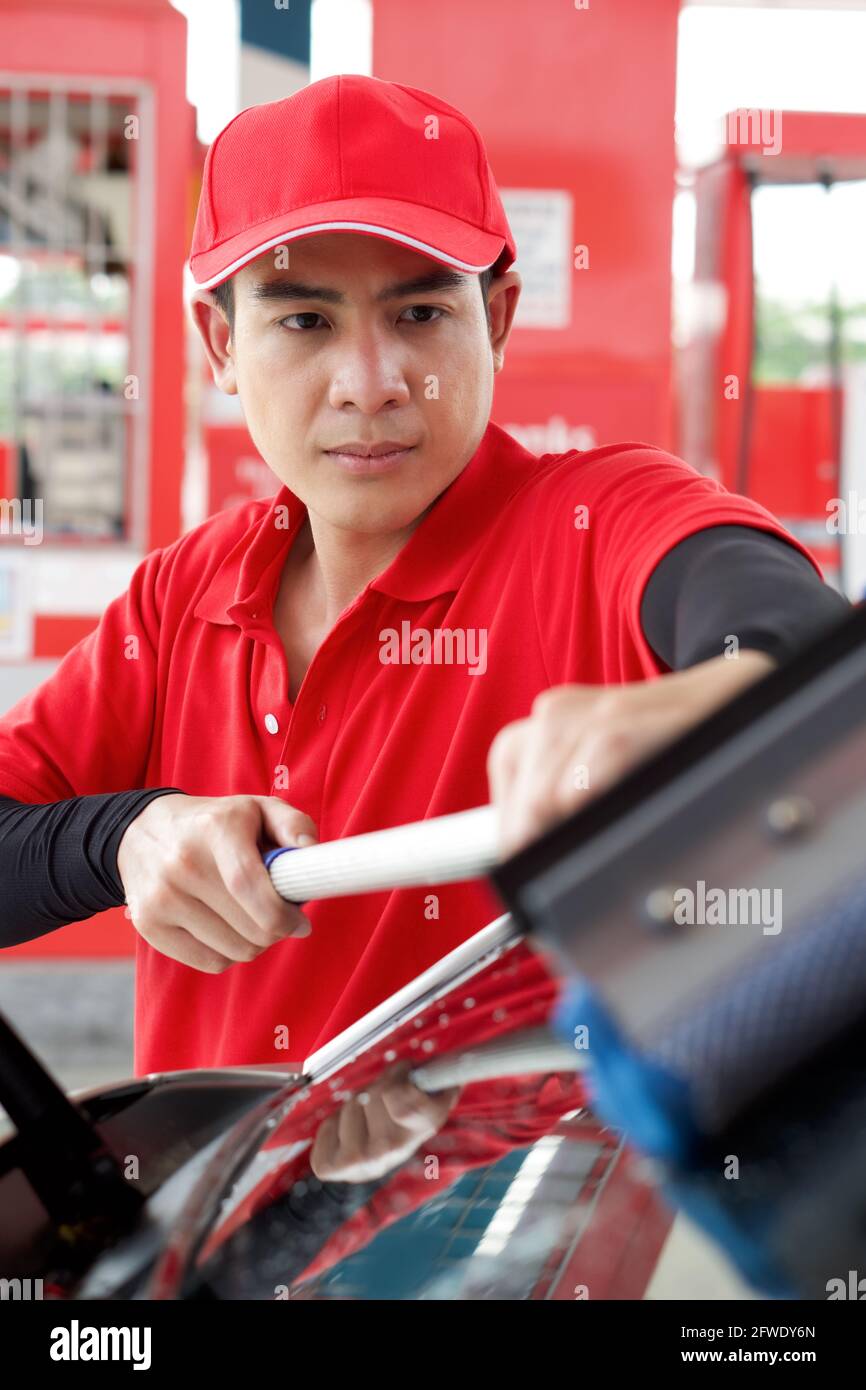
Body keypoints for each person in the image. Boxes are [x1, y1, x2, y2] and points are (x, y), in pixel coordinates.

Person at [0, 76, 848, 1183]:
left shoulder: (596, 525)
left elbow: (785, 636)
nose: (371, 383)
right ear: (219, 341)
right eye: (304, 319)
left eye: (420, 312)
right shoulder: (179, 600)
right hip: (208, 1246)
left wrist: (721, 710)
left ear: (494, 316)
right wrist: (127, 835)